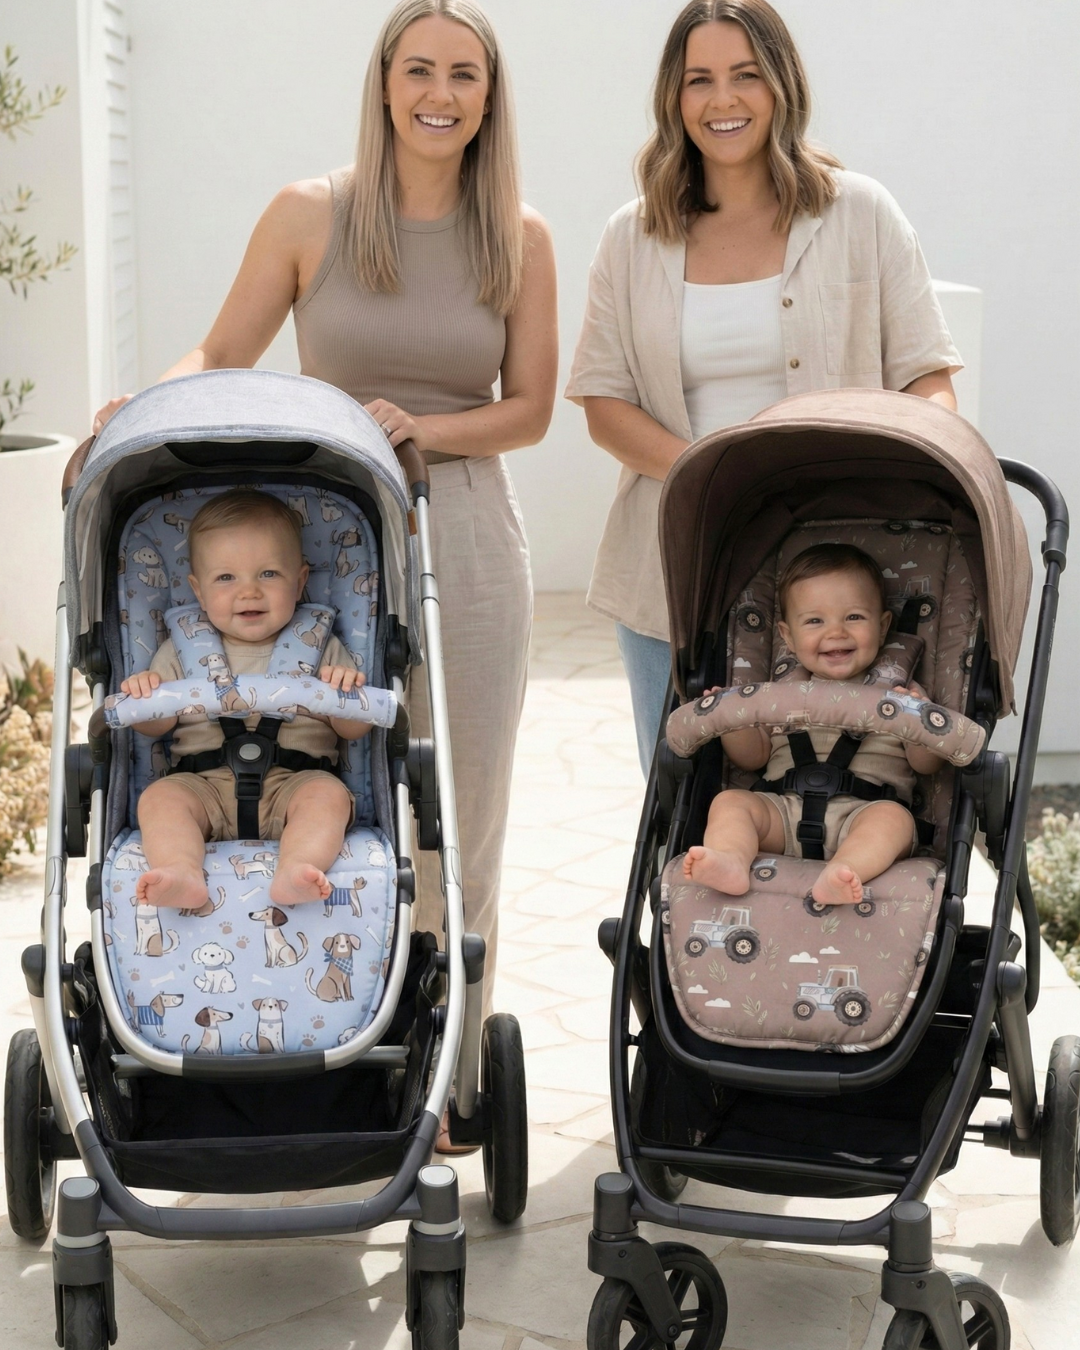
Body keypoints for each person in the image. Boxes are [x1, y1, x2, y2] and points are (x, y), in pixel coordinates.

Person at [92, 0, 558, 1035]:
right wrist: (144, 406)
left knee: (455, 808)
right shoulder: (310, 213)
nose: (441, 95)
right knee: (334, 771)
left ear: (489, 97)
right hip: (332, 536)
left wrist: (420, 425)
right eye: (420, 70)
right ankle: (328, 1026)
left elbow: (527, 409)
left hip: (463, 530)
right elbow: (220, 353)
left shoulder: (518, 233)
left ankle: (455, 1052)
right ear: (384, 83)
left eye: (465, 76)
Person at [565, 0, 962, 776]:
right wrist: (717, 482)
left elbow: (928, 379)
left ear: (782, 85)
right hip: (673, 568)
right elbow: (605, 405)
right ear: (672, 100)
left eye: (746, 75)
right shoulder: (632, 234)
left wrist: (913, 476)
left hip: (843, 560)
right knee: (681, 806)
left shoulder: (861, 213)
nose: (723, 101)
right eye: (699, 80)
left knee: (847, 784)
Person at [120, 490, 371, 912]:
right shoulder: (180, 650)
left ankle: (298, 868)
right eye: (226, 578)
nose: (249, 592)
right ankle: (182, 870)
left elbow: (354, 729)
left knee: (329, 797)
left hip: (295, 782)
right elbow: (153, 728)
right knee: (160, 799)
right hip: (204, 785)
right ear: (198, 592)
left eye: (269, 574)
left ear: (300, 581)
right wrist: (146, 695)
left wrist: (344, 696)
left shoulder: (321, 645)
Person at [682, 544, 945, 908]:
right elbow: (751, 758)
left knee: (894, 820)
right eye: (815, 621)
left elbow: (926, 764)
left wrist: (920, 714)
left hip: (863, 812)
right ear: (788, 637)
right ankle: (730, 860)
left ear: (883, 626)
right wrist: (733, 720)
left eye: (853, 617)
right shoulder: (776, 695)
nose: (835, 632)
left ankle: (843, 871)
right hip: (783, 810)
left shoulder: (901, 693)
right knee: (731, 802)